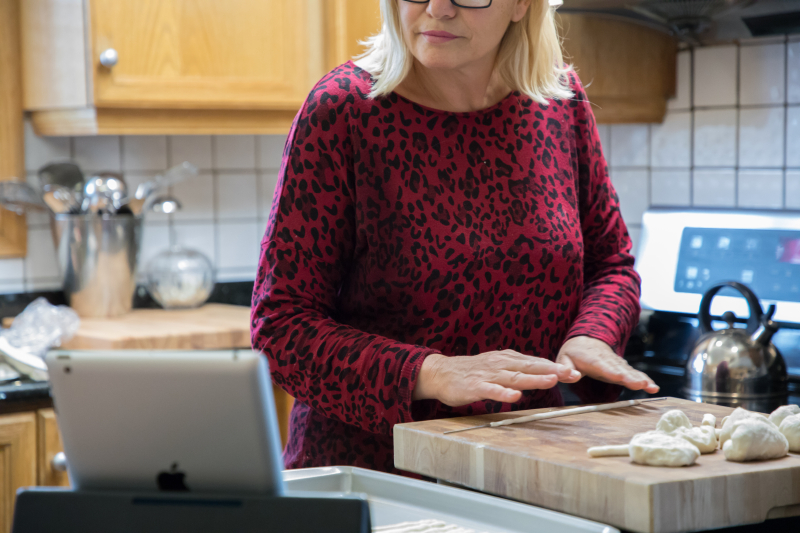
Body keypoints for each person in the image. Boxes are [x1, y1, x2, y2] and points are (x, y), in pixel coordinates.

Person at [251, 0, 659, 475]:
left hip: (529, 467)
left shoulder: (558, 101)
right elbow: (281, 326)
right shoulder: (343, 110)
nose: (438, 8)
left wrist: (592, 335)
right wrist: (433, 372)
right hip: (375, 475)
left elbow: (610, 265)